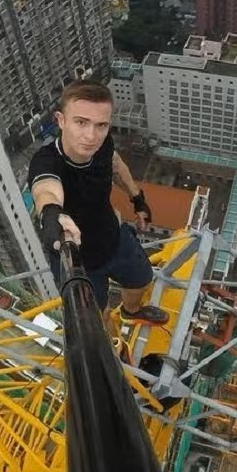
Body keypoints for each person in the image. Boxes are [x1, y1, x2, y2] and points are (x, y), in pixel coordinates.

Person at [27, 81, 169, 325]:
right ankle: (109, 339)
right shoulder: (46, 162)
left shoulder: (103, 146)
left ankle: (131, 311)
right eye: (81, 122)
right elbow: (46, 190)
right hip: (78, 260)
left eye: (101, 125)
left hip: (113, 238)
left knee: (142, 279)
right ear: (61, 120)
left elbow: (116, 165)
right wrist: (52, 213)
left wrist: (137, 198)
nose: (91, 136)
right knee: (96, 316)